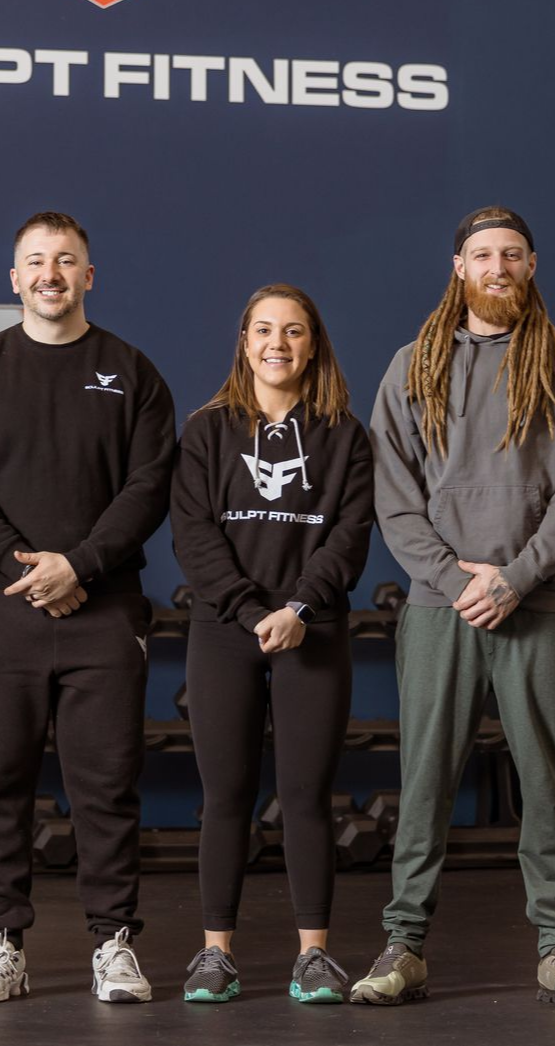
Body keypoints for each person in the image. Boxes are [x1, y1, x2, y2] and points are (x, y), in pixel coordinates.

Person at [352, 206, 555, 1010]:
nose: (496, 266)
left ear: (530, 265)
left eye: (510, 254)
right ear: (457, 266)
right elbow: (391, 493)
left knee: (549, 780)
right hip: (439, 608)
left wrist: (515, 577)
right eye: (481, 254)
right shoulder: (411, 366)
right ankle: (403, 944)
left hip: (541, 607)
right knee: (423, 779)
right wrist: (452, 576)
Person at [0, 211, 175, 1004]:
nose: (50, 274)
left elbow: (148, 487)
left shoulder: (131, 373)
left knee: (105, 785)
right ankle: (0, 944)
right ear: (13, 278)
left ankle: (113, 943)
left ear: (88, 275)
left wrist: (81, 565)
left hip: (105, 610)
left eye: (65, 261)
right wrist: (24, 567)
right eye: (35, 261)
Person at [171, 284, 373, 1004]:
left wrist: (296, 606)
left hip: (311, 631)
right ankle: (214, 955)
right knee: (224, 796)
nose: (277, 344)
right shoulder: (205, 432)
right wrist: (254, 608)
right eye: (263, 330)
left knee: (303, 795)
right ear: (244, 341)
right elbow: (193, 537)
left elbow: (348, 538)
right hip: (224, 632)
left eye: (292, 331)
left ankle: (313, 957)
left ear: (312, 343)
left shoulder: (345, 436)